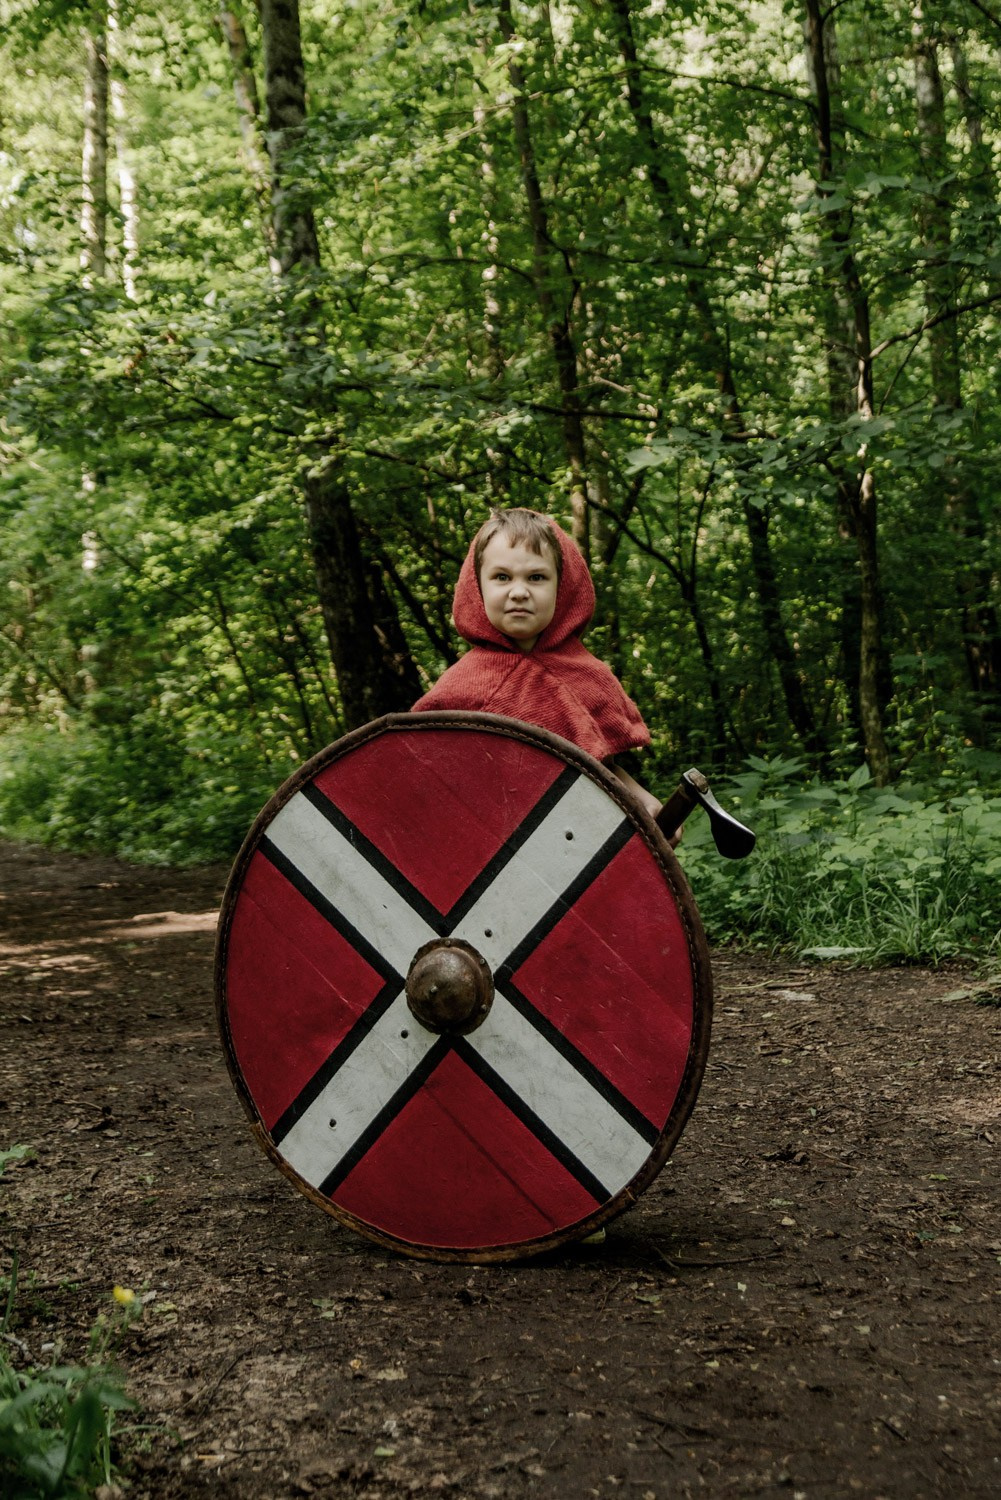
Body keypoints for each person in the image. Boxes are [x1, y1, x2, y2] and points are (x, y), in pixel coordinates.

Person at [412, 507, 664, 825]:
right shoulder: (461, 688)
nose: (519, 592)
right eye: (502, 577)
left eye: (536, 577)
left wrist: (640, 797)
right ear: (477, 587)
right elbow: (427, 780)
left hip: (583, 832)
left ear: (563, 587)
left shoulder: (589, 676)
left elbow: (600, 767)